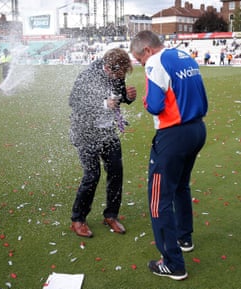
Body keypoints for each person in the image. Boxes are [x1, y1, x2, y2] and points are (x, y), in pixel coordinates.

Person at [130, 30, 207, 281]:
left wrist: (144, 100)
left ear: (147, 51)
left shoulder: (155, 61)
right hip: (197, 129)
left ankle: (173, 263)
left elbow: (154, 105)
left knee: (158, 201)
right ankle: (184, 238)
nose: (142, 65)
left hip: (173, 136)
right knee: (181, 187)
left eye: (139, 60)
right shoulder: (183, 54)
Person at [69, 48, 137, 238]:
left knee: (116, 172)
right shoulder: (87, 76)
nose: (120, 78)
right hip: (85, 131)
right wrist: (103, 104)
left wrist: (128, 97)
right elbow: (74, 101)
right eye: (118, 74)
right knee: (92, 175)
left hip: (107, 130)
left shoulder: (117, 72)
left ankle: (111, 215)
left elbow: (118, 97)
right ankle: (78, 218)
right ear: (108, 67)